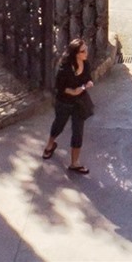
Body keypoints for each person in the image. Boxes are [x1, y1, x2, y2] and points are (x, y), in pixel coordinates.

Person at [42, 39, 93, 175]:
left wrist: (87, 83)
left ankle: (74, 163)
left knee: (78, 131)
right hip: (64, 102)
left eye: (86, 50)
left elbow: (88, 78)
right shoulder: (64, 68)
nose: (86, 53)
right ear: (75, 54)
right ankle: (50, 144)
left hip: (79, 103)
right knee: (59, 124)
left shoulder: (86, 63)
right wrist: (73, 91)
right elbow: (60, 87)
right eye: (83, 51)